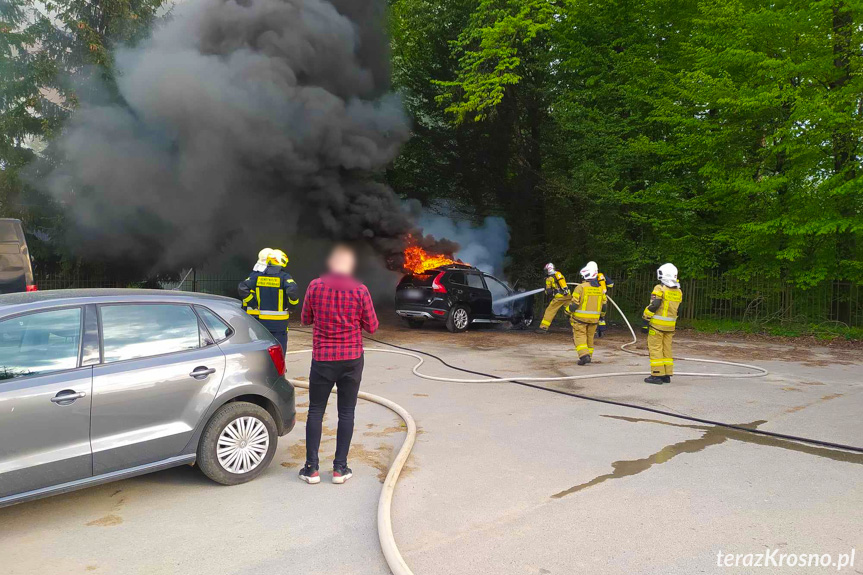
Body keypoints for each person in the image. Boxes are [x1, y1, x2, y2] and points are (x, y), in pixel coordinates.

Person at [298, 244, 379, 485]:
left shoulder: (314, 286)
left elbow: (304, 319)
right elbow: (372, 326)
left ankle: (311, 469)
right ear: (349, 267)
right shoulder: (360, 290)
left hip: (322, 358)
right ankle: (339, 469)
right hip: (352, 359)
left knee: (315, 411)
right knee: (346, 412)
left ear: (332, 264)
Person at [238, 248, 299, 352]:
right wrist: (292, 306)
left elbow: (242, 287)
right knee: (279, 350)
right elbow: (292, 291)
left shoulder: (258, 276)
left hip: (262, 322)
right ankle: (279, 368)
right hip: (280, 325)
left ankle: (266, 367)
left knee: (264, 349)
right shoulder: (284, 277)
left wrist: (253, 302)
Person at [642, 263, 683, 385]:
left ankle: (657, 375)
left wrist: (645, 318)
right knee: (667, 349)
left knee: (655, 348)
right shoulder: (678, 291)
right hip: (670, 326)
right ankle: (667, 374)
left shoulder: (659, 289)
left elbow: (655, 305)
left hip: (657, 326)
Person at [564, 261, 607, 365]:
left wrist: (566, 311)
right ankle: (589, 356)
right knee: (590, 338)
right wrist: (602, 316)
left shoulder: (580, 287)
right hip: (594, 320)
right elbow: (604, 305)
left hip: (580, 319)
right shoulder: (600, 289)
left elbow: (574, 304)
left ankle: (584, 355)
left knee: (580, 337)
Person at [537, 262, 571, 333]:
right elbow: (561, 284)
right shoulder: (556, 275)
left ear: (548, 269)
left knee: (550, 311)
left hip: (559, 297)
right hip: (567, 296)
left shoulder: (551, 277)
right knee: (570, 311)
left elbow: (549, 291)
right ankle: (578, 327)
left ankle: (543, 327)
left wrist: (547, 290)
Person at [595, 268, 614, 338]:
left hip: (593, 299)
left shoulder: (589, 277)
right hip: (603, 299)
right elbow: (611, 284)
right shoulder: (602, 276)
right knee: (601, 316)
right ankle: (601, 331)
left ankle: (594, 332)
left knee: (593, 315)